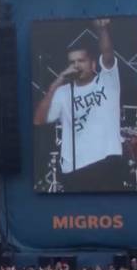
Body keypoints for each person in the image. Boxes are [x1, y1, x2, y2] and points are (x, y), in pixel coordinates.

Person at [33, 18, 125, 191]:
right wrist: (56, 82)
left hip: (106, 162)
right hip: (74, 170)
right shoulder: (62, 92)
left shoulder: (107, 81)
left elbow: (107, 53)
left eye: (81, 60)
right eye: (72, 62)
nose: (76, 65)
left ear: (92, 64)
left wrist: (102, 30)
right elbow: (38, 120)